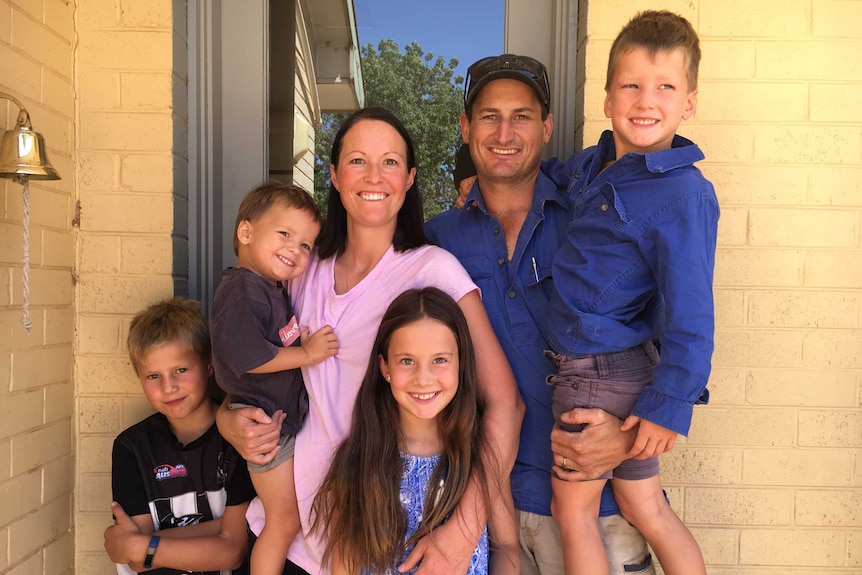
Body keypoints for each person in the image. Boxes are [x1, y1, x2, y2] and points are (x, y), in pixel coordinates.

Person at [216, 107, 524, 575]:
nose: (374, 176)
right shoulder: (302, 267)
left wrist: (463, 530)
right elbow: (247, 359)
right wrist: (227, 419)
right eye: (358, 161)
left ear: (410, 178)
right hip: (288, 540)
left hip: (382, 545)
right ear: (336, 176)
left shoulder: (432, 270)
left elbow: (505, 404)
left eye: (391, 162)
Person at [425, 54, 655, 575]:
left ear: (547, 127)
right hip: (481, 501)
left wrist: (626, 435)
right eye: (488, 116)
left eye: (522, 116)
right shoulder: (440, 240)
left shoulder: (594, 218)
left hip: (595, 501)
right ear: (465, 127)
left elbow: (654, 339)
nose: (504, 132)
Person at [544, 11, 716, 575]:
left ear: (688, 102)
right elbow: (553, 176)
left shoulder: (682, 193)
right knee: (645, 505)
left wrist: (668, 408)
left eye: (665, 87)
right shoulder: (594, 166)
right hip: (609, 367)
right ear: (607, 97)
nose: (647, 100)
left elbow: (693, 316)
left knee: (572, 511)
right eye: (632, 85)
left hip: (597, 371)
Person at [311, 287, 492, 574]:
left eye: (440, 360)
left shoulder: (480, 455)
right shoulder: (359, 460)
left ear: (461, 363)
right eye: (407, 361)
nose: (423, 378)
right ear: (385, 368)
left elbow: (507, 548)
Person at [210, 182, 339, 575]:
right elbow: (250, 358)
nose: (295, 250)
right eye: (285, 234)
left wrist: (299, 338)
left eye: (305, 245)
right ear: (245, 233)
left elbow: (274, 337)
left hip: (279, 424)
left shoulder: (269, 288)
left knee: (289, 520)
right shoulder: (242, 291)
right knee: (282, 522)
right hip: (265, 427)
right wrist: (309, 353)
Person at [105, 297, 256, 575]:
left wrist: (142, 545)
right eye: (153, 376)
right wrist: (220, 530)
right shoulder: (131, 447)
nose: (169, 387)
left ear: (210, 365)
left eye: (181, 370)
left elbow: (234, 550)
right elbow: (136, 562)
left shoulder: (238, 437)